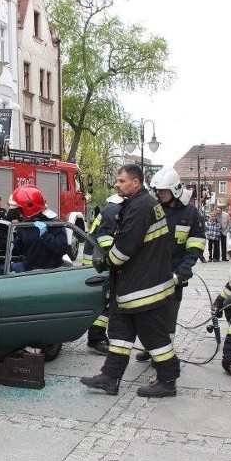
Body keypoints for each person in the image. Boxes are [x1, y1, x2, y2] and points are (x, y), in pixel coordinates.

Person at [80, 164, 179, 398]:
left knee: (154, 338)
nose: (117, 184)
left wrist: (105, 262)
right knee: (119, 335)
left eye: (122, 181)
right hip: (135, 287)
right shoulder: (140, 204)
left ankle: (168, 380)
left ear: (136, 182)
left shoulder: (141, 207)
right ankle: (110, 377)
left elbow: (124, 249)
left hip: (144, 289)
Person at [136, 168, 205, 363]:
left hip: (175, 273)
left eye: (162, 192)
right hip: (152, 272)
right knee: (149, 313)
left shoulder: (190, 213)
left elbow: (196, 243)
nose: (159, 195)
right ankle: (151, 349)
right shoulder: (155, 209)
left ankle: (165, 356)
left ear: (175, 190)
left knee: (168, 316)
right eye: (157, 191)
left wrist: (186, 267)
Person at [81, 193, 124, 354]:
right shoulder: (114, 210)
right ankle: (96, 338)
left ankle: (97, 336)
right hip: (98, 262)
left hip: (95, 259)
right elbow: (105, 240)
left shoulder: (110, 208)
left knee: (106, 301)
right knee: (105, 302)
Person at [7, 185, 68, 273]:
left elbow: (62, 248)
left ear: (28, 207)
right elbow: (17, 249)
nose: (19, 213)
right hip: (29, 268)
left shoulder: (53, 223)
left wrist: (45, 235)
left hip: (50, 271)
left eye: (19, 209)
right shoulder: (25, 225)